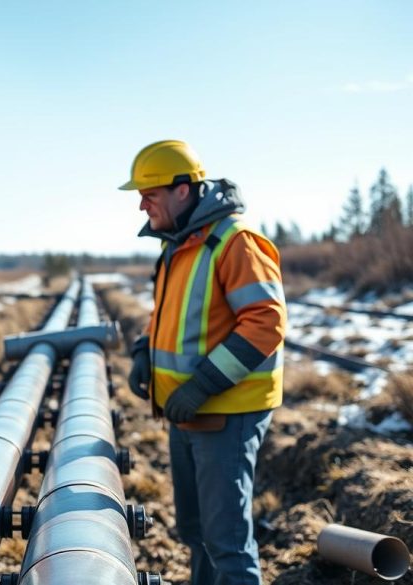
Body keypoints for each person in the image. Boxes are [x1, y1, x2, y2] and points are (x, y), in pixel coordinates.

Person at [121, 140, 286, 585]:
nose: (141, 205)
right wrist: (143, 351)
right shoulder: (179, 245)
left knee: (227, 542)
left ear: (182, 190)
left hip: (225, 413)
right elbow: (169, 314)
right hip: (187, 411)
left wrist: (202, 385)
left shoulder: (235, 243)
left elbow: (265, 323)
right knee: (196, 532)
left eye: (149, 194)